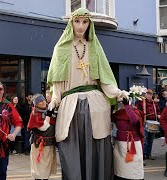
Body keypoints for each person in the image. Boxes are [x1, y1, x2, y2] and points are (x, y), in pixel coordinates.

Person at [47, 8, 128, 180]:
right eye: (77, 21)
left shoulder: (95, 48)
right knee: (71, 149)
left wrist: (118, 93)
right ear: (71, 23)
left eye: (85, 22)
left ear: (89, 24)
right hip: (70, 105)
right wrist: (55, 98)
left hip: (96, 105)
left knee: (97, 148)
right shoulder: (61, 48)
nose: (81, 26)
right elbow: (57, 81)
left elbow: (105, 78)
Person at [111, 98, 145, 180]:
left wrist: (127, 107)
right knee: (120, 167)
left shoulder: (136, 112)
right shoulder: (119, 113)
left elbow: (135, 120)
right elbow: (111, 118)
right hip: (120, 144)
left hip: (132, 144)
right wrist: (112, 106)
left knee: (133, 166)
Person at [27, 94, 57, 180]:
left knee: (46, 169)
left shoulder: (49, 110)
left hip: (49, 144)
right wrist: (48, 115)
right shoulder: (35, 113)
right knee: (39, 169)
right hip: (40, 145)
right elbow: (43, 127)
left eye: (43, 100)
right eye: (40, 101)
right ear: (36, 104)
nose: (43, 102)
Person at [135, 89, 161, 160]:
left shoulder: (154, 103)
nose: (149, 95)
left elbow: (158, 111)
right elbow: (136, 110)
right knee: (145, 139)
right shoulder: (140, 101)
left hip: (153, 122)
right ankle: (143, 154)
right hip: (145, 122)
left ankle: (149, 154)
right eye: (148, 94)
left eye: (150, 94)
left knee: (151, 139)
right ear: (145, 94)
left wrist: (159, 115)